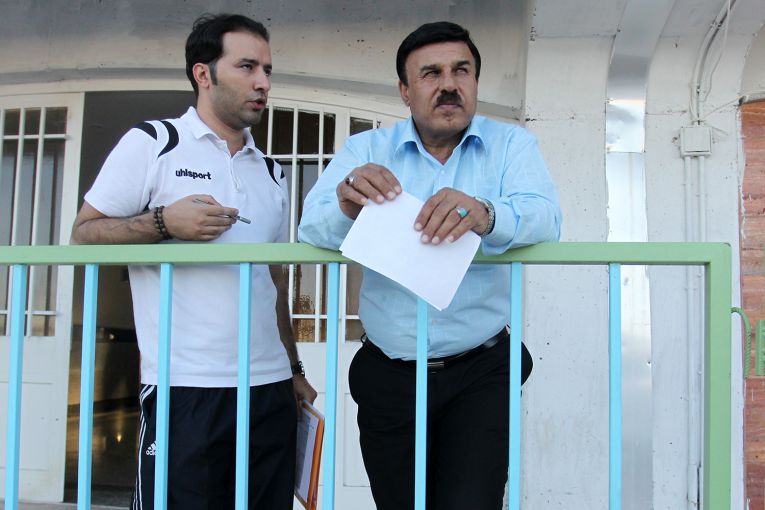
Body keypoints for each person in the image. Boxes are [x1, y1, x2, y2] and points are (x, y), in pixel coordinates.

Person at [298, 21, 561, 510]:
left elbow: (546, 218)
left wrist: (487, 214)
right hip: (389, 372)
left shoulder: (512, 145)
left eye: (462, 71)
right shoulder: (366, 150)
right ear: (405, 90)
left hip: (482, 369)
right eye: (431, 73)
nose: (449, 84)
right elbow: (311, 229)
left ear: (475, 81)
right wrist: (347, 204)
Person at [70, 13, 316, 510]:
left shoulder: (271, 171)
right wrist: (164, 222)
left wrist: (293, 368)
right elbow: (83, 235)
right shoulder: (154, 143)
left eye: (267, 70)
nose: (263, 83)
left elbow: (272, 278)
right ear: (203, 74)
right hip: (185, 387)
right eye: (247, 67)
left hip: (269, 388)